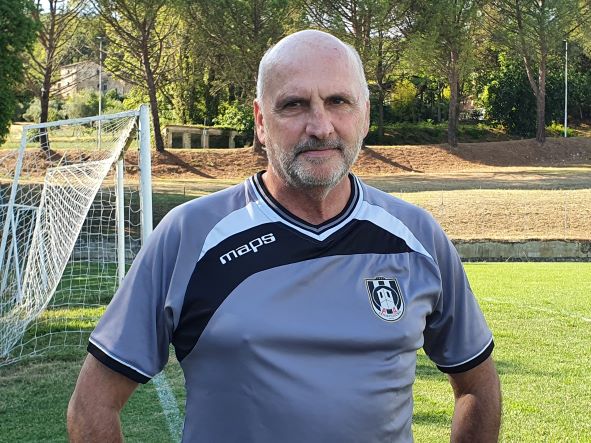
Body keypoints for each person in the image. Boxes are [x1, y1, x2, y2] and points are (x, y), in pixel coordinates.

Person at [67, 29, 501, 442]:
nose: (320, 126)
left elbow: (477, 385)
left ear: (365, 114)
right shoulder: (190, 235)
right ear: (261, 121)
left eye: (338, 101)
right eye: (294, 105)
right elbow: (92, 406)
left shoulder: (417, 236)